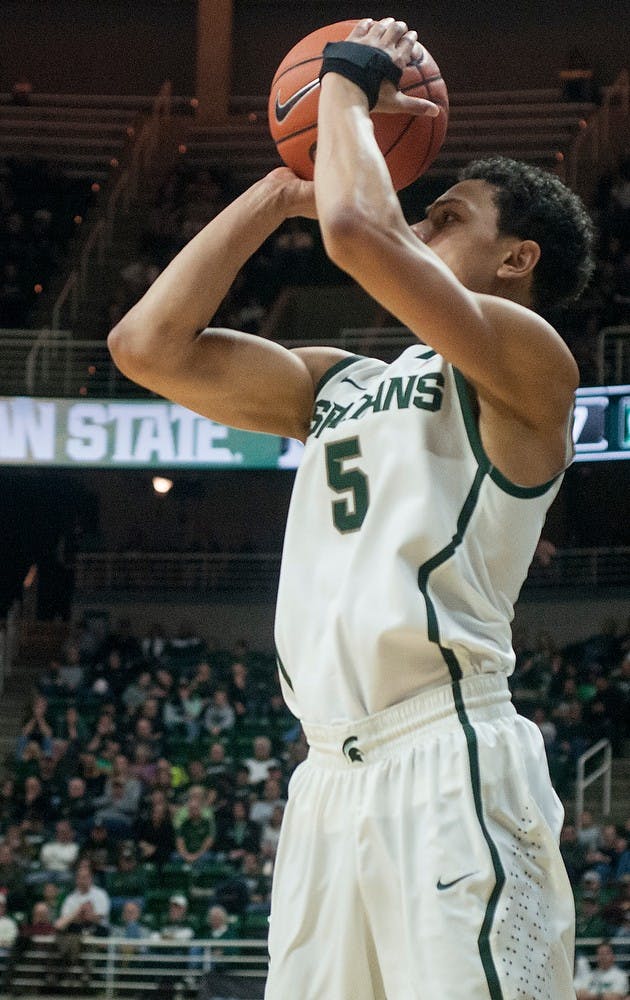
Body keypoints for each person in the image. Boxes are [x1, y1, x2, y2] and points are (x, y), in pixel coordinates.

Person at [108, 16, 595, 999]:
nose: (421, 222)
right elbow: (146, 345)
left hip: (447, 754)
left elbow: (359, 232)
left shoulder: (533, 364)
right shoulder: (337, 383)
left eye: (449, 215)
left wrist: (348, 85)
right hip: (326, 777)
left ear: (517, 259)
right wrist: (277, 190)